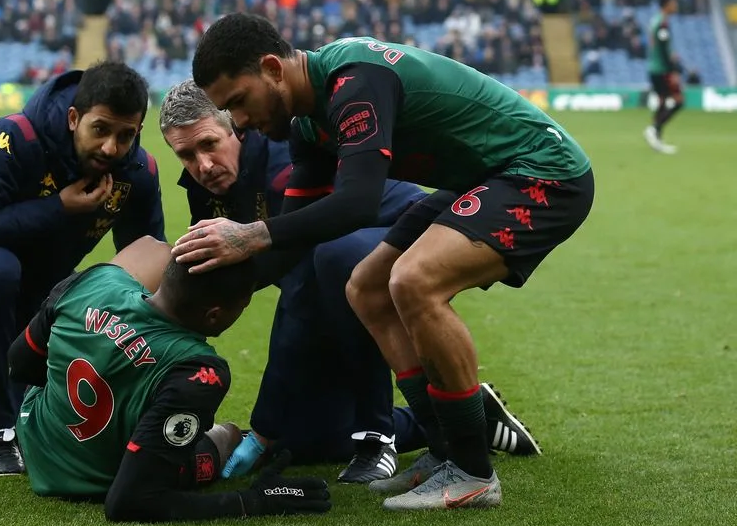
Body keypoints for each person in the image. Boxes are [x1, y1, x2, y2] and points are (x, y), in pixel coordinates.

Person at [174, 14, 594, 511]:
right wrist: (207, 292)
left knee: (414, 280)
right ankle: (445, 451)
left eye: (238, 102)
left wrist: (250, 234)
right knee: (367, 287)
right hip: (484, 181)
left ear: (271, 68)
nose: (239, 122)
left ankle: (474, 473)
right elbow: (294, 236)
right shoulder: (308, 125)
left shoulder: (355, 82)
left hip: (542, 171)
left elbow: (356, 202)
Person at [157, 80, 541, 484]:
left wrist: (264, 423)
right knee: (308, 441)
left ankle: (377, 437)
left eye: (209, 145)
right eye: (186, 155)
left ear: (235, 127)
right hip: (329, 276)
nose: (202, 165)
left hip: (404, 234)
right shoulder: (208, 188)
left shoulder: (285, 161)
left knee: (337, 260)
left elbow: (298, 282)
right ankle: (469, 411)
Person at [0, 62, 165, 474]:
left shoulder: (138, 174)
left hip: (39, 283)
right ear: (74, 118)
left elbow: (145, 263)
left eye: (126, 135)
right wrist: (58, 208)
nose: (112, 148)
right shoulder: (16, 137)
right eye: (100, 130)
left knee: (54, 425)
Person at [11, 236, 331, 522]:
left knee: (149, 245)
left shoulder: (95, 281)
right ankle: (239, 439)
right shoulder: (198, 369)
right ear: (214, 315)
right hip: (101, 478)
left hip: (35, 441)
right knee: (227, 436)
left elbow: (21, 364)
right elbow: (130, 500)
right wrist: (252, 501)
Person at [644, 0, 683, 154]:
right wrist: (673, 70)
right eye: (673, 3)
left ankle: (656, 137)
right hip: (662, 70)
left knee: (662, 102)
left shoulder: (656, 21)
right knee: (678, 101)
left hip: (654, 68)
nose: (675, 5)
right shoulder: (662, 24)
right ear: (666, 4)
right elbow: (663, 49)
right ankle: (654, 129)